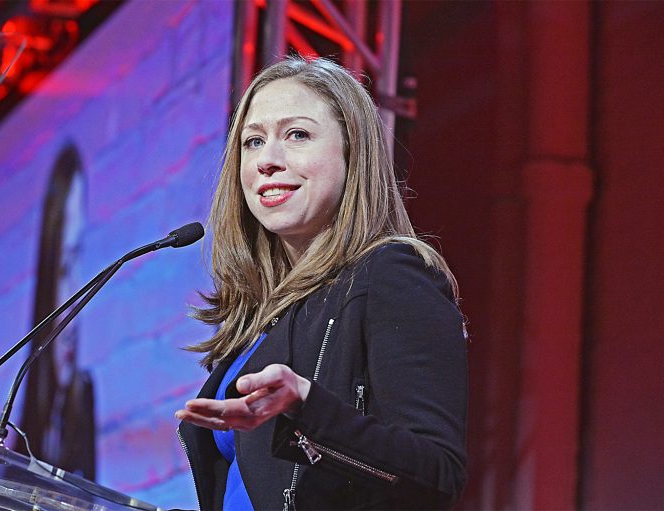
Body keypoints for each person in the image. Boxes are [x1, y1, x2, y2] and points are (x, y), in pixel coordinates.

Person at [175, 56, 467, 510]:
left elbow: (437, 473)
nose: (267, 161)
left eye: (297, 135)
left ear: (353, 153)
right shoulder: (263, 321)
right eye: (253, 142)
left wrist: (307, 406)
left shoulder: (390, 274)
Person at [19, 143, 97, 480]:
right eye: (65, 271)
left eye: (81, 264)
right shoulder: (19, 425)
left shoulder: (83, 399)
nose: (74, 299)